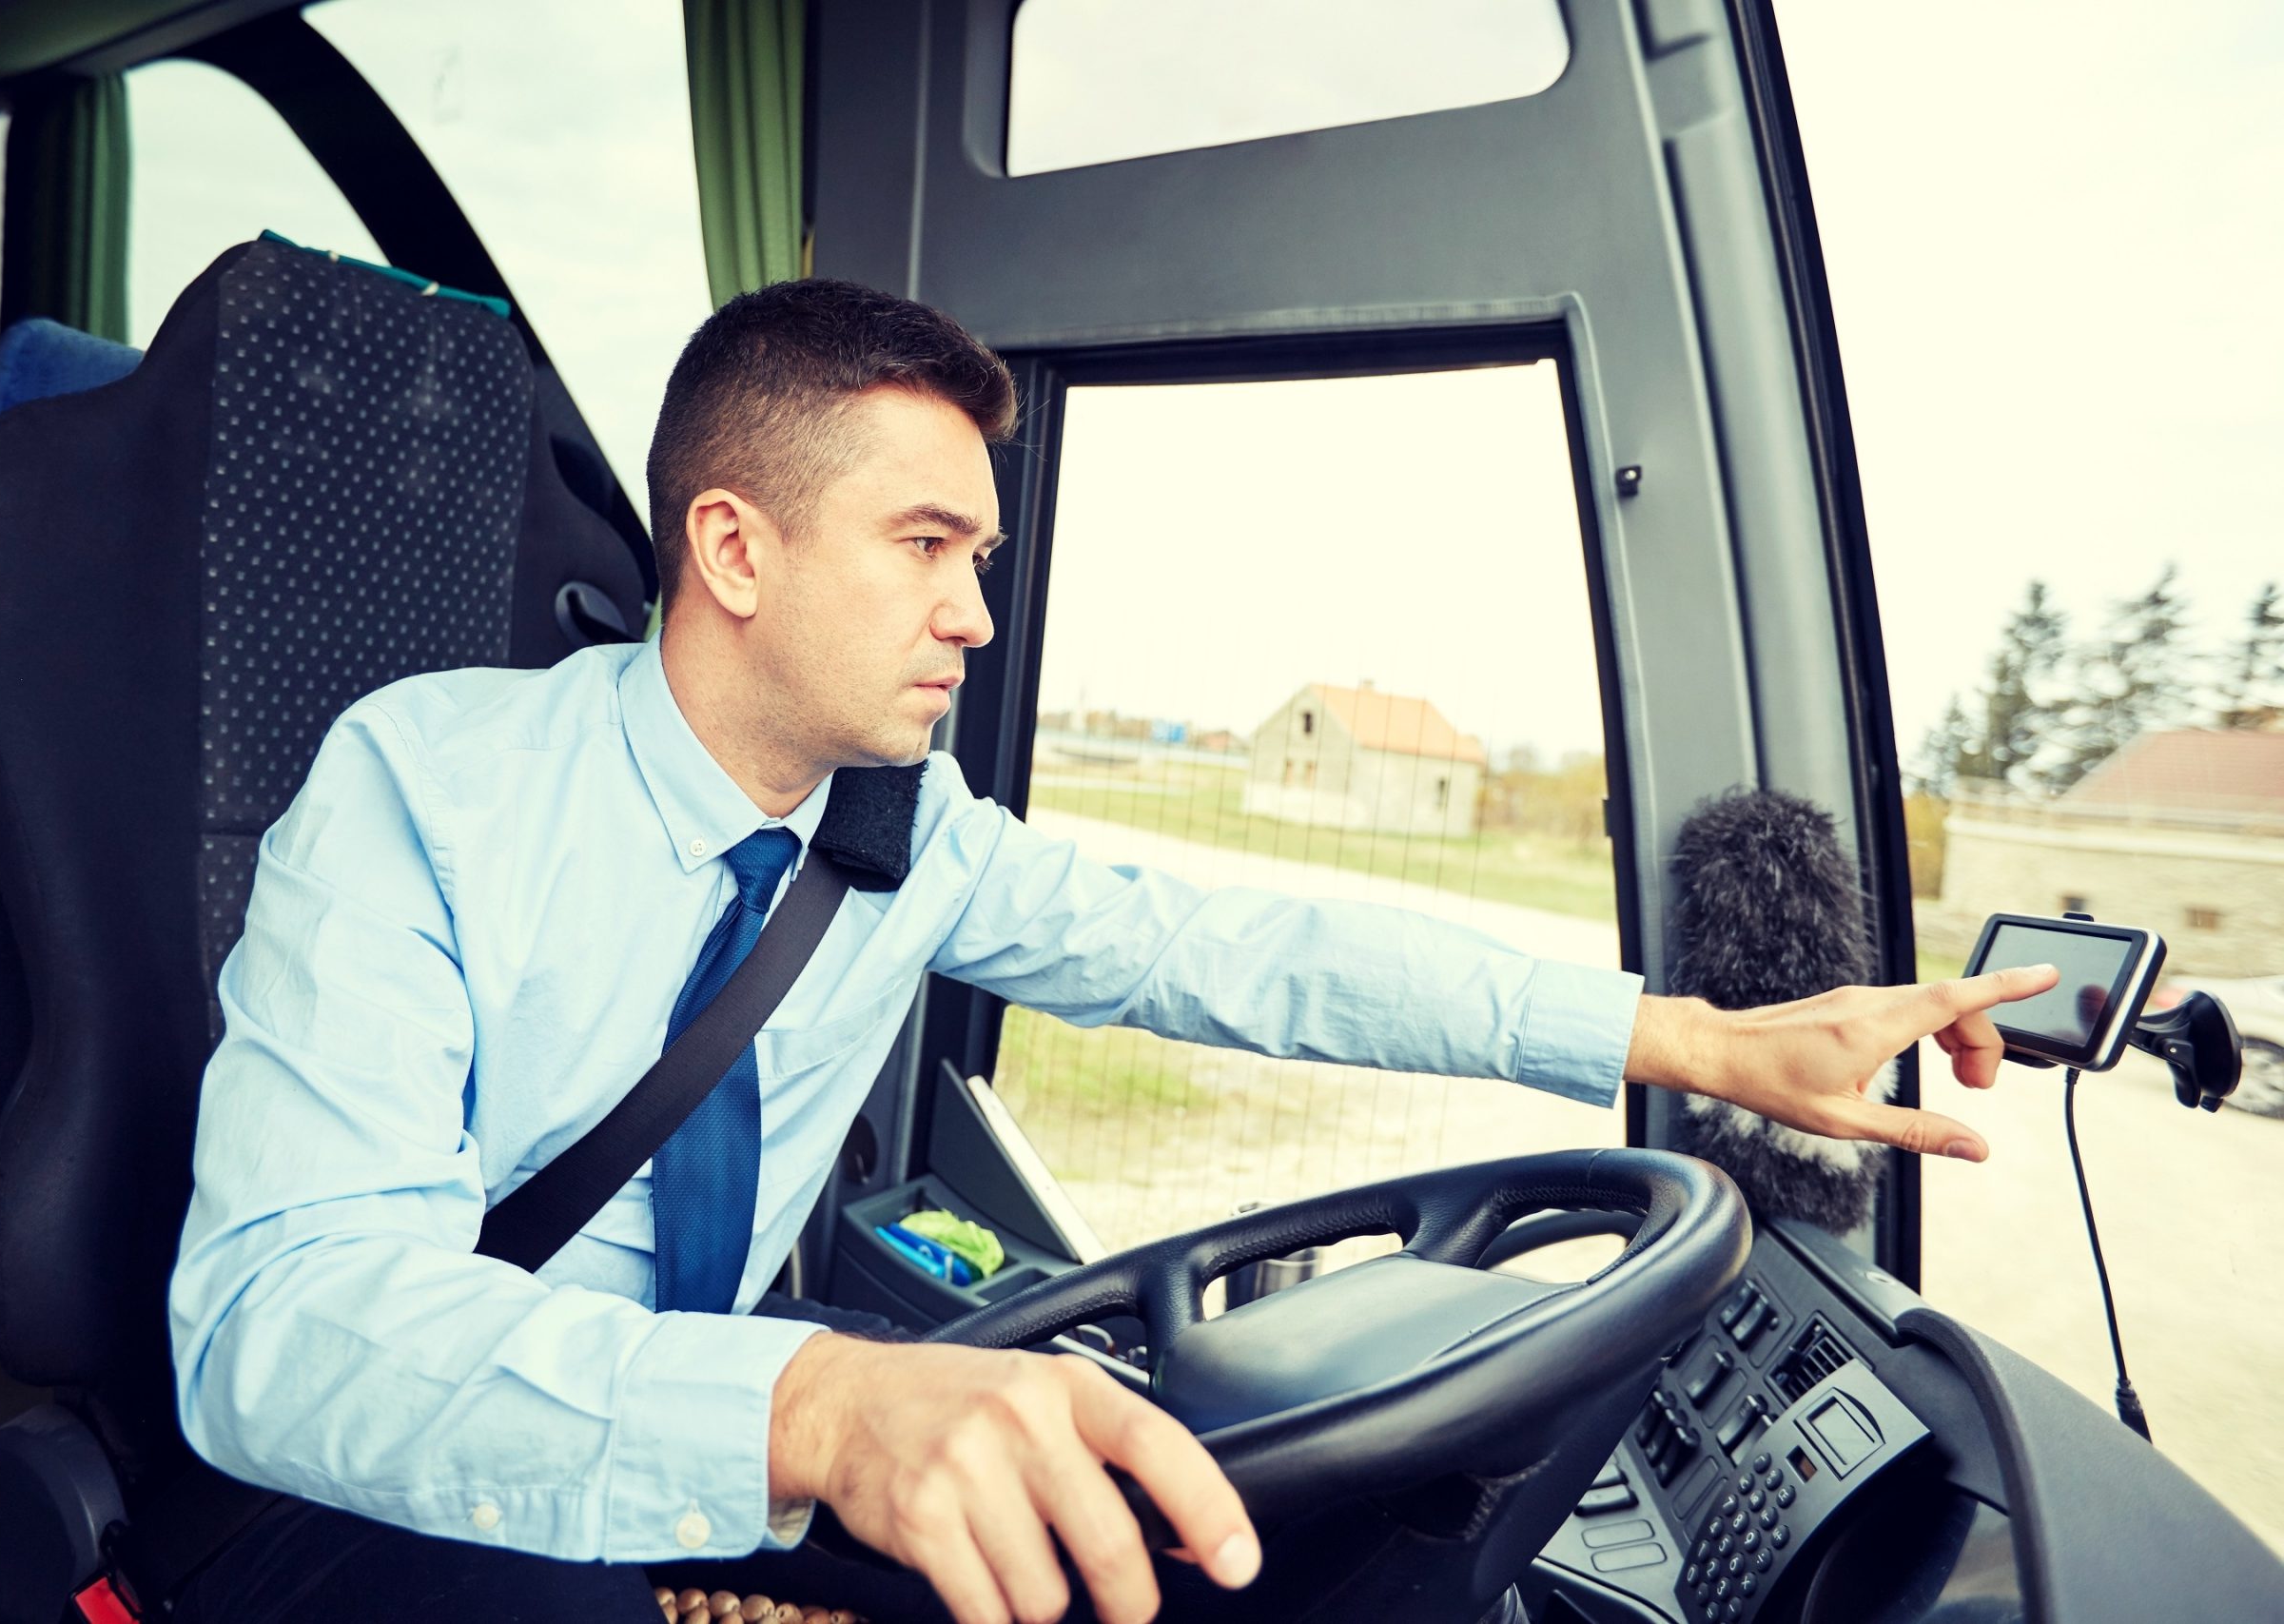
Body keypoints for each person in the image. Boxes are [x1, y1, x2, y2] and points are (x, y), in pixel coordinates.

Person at [167, 279, 2056, 1624]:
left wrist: (1685, 1037)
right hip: (371, 1479)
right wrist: (806, 1412)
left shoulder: (896, 841)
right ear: (732, 548)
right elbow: (278, 1325)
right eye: (924, 546)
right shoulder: (420, 787)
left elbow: (1245, 947)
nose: (973, 613)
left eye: (978, 558)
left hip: (712, 1427)